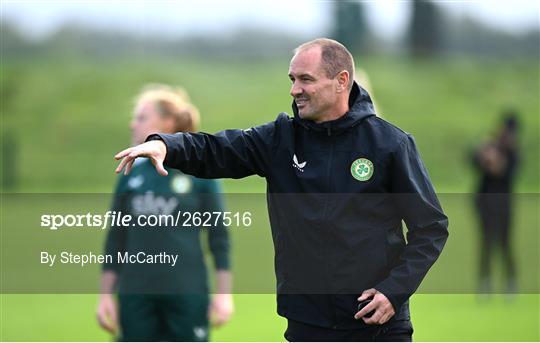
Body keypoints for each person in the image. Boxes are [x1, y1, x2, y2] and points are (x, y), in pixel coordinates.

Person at [114, 38, 448, 341]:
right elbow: (218, 149)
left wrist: (394, 292)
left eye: (306, 79)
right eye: (292, 79)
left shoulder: (390, 144)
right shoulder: (279, 140)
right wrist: (166, 145)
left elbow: (430, 228)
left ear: (341, 81)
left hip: (377, 328)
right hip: (307, 325)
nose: (294, 90)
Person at [97, 84, 233, 341]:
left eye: (141, 117)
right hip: (136, 295)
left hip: (187, 293)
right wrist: (105, 296)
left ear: (168, 122)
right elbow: (116, 238)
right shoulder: (130, 173)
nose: (132, 124)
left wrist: (224, 295)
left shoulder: (201, 172)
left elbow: (219, 239)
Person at [472, 111, 519, 295]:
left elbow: (506, 173)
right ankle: (485, 282)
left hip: (504, 202)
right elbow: (474, 162)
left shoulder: (513, 152)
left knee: (505, 242)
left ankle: (510, 281)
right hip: (484, 201)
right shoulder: (490, 145)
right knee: (486, 242)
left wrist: (495, 160)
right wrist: (483, 153)